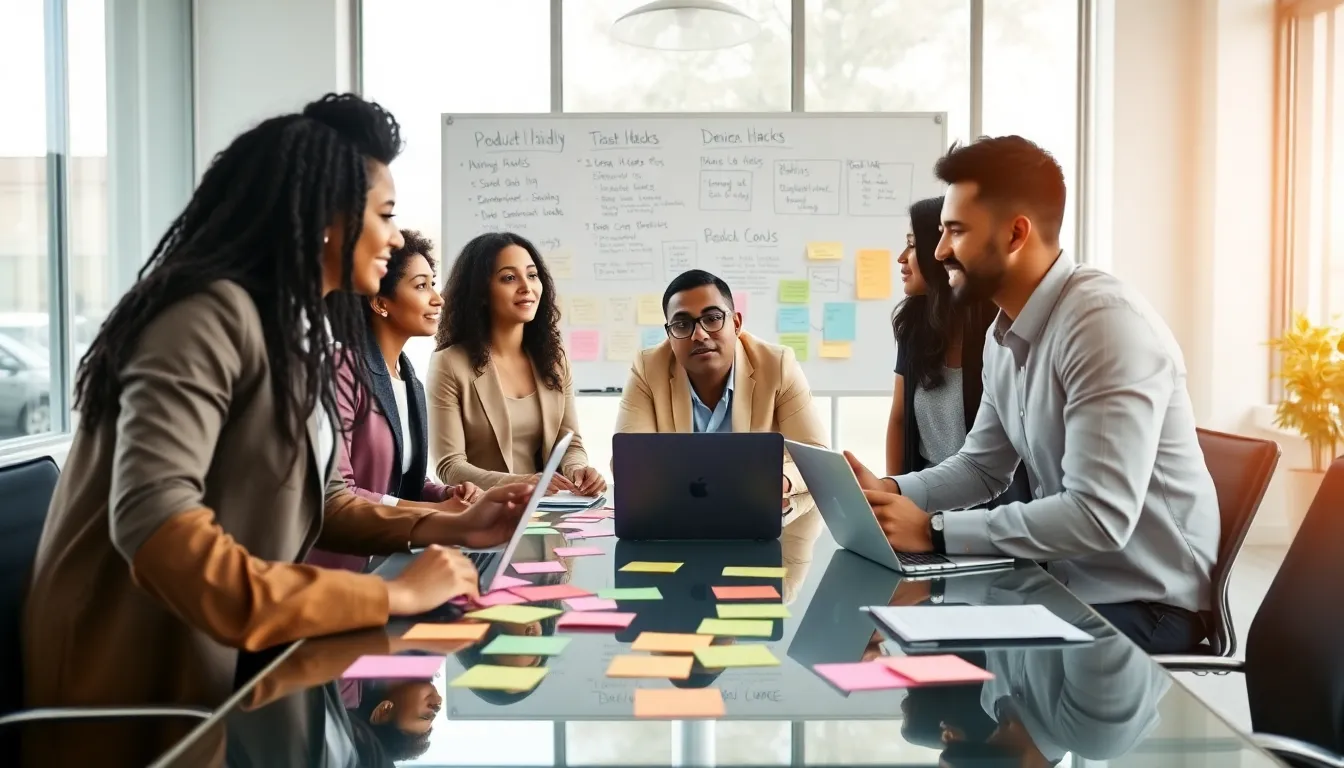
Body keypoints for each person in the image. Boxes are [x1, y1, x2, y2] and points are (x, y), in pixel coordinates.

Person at [21, 93, 535, 767]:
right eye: (384, 215)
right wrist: (391, 593)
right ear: (327, 218)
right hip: (143, 697)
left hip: (228, 674)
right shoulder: (203, 313)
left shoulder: (294, 327)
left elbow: (325, 499)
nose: (392, 237)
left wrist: (456, 527)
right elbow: (156, 528)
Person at [846, 136, 1220, 654]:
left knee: (944, 650)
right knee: (901, 631)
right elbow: (981, 468)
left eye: (955, 231)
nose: (939, 252)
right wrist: (893, 491)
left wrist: (933, 532)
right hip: (1065, 587)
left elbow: (1099, 516)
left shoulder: (1103, 326)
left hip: (1145, 606)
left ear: (1016, 233)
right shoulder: (1006, 333)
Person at [308, 230, 483, 573]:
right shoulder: (341, 367)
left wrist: (446, 495)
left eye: (433, 284)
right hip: (340, 570)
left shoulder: (409, 380)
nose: (438, 299)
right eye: (421, 286)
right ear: (380, 302)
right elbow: (340, 493)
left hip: (391, 561)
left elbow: (404, 484)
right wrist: (433, 514)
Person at [613, 269, 827, 511]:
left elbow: (816, 457)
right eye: (682, 324)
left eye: (712, 318)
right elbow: (627, 462)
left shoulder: (776, 364)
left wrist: (780, 481)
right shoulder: (648, 367)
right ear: (669, 335)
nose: (699, 334)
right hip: (676, 519)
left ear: (736, 324)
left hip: (754, 519)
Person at [428, 231, 605, 495]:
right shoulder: (449, 363)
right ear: (481, 293)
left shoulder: (554, 358)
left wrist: (578, 469)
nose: (527, 287)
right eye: (509, 278)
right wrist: (520, 483)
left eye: (532, 275)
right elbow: (450, 467)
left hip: (548, 512)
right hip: (482, 512)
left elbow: (569, 443)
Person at [888, 195, 1030, 507]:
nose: (901, 258)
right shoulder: (914, 326)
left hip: (993, 509)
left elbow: (994, 463)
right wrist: (891, 497)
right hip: (922, 500)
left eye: (912, 245)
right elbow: (899, 420)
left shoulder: (1003, 332)